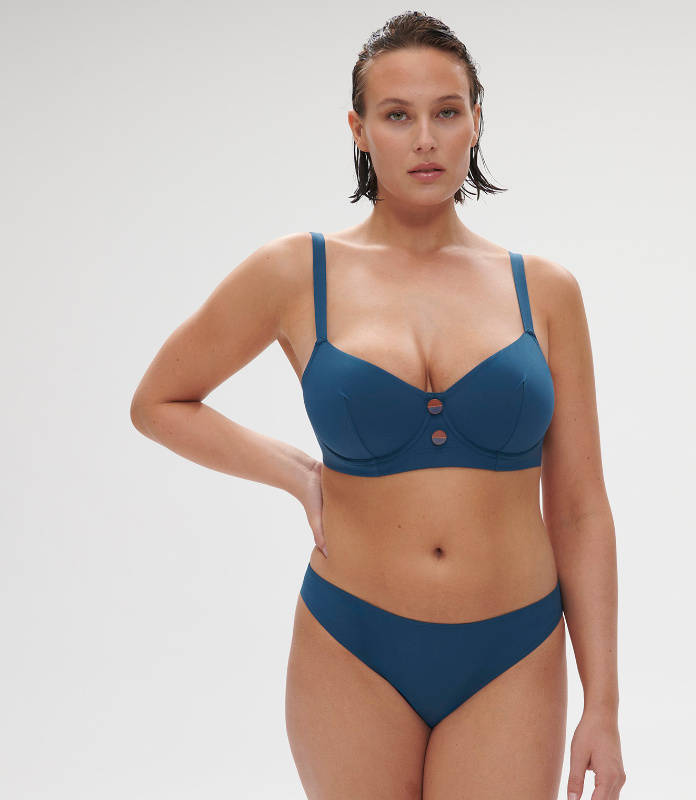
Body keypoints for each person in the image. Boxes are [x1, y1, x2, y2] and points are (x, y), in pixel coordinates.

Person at [130, 10, 625, 800]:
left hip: (515, 650)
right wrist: (297, 473)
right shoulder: (296, 273)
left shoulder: (546, 291)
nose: (425, 139)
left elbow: (580, 509)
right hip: (351, 644)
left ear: (476, 121)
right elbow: (159, 401)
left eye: (446, 112)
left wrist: (603, 704)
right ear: (359, 130)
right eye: (397, 116)